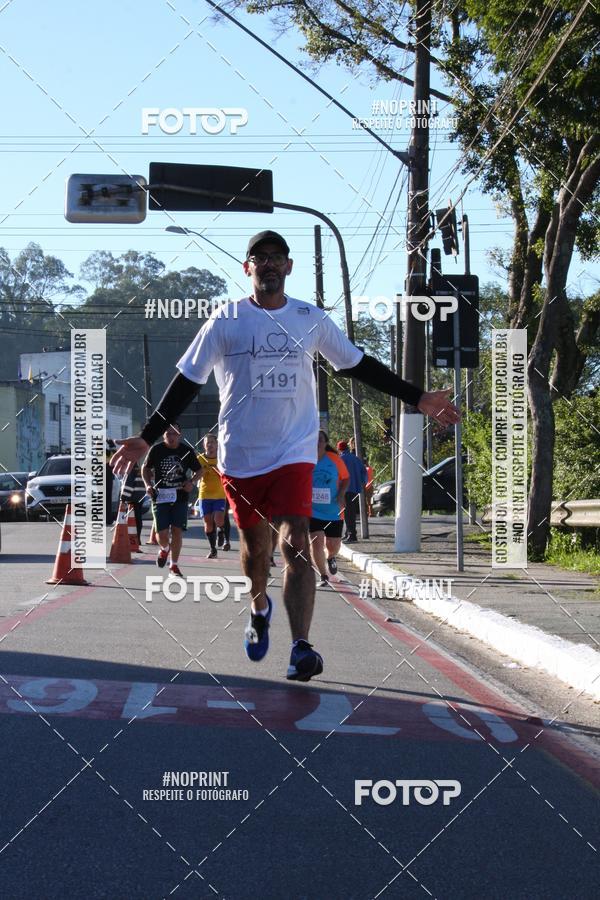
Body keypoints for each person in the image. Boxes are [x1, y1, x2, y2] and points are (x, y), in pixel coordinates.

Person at [112, 229, 460, 682]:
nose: (269, 264)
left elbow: (356, 363)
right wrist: (147, 435)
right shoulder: (225, 320)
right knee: (256, 552)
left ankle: (301, 647)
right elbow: (188, 381)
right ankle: (259, 607)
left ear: (289, 267)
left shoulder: (309, 319)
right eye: (260, 257)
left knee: (296, 542)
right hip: (240, 457)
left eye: (277, 257)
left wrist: (417, 397)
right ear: (248, 268)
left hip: (295, 451)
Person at [141, 424, 202, 578]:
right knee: (161, 534)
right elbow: (145, 468)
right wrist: (148, 485)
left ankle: (173, 565)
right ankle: (164, 548)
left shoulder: (186, 451)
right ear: (164, 435)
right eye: (168, 433)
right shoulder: (156, 450)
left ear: (179, 434)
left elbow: (200, 470)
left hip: (180, 496)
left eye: (174, 433)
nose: (171, 436)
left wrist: (192, 482)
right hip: (160, 496)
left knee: (177, 531)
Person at [309, 431, 349, 587]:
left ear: (325, 443)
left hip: (334, 510)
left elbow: (346, 478)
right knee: (316, 542)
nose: (317, 443)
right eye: (314, 440)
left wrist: (341, 493)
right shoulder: (305, 459)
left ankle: (331, 557)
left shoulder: (335, 460)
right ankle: (323, 575)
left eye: (320, 440)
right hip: (312, 510)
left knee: (333, 545)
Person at [197, 433, 228, 558]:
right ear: (204, 445)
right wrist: (201, 473)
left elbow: (229, 472)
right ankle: (212, 549)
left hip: (219, 494)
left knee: (219, 519)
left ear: (217, 444)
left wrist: (221, 472)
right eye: (207, 443)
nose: (209, 445)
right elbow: (195, 474)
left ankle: (221, 531)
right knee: (207, 523)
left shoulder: (222, 458)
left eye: (212, 442)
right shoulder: (200, 458)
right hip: (204, 494)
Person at [337, 441, 367, 543]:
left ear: (339, 449)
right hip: (354, 489)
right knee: (351, 512)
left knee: (347, 512)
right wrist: (362, 483)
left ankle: (352, 535)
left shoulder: (340, 460)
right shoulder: (355, 458)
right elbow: (364, 471)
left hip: (344, 489)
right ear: (348, 448)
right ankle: (348, 533)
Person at [120, 461, 145, 544]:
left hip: (132, 497)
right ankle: (137, 539)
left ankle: (132, 540)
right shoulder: (142, 464)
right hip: (141, 495)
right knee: (138, 519)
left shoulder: (131, 465)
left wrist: (123, 499)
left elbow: (128, 484)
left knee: (132, 521)